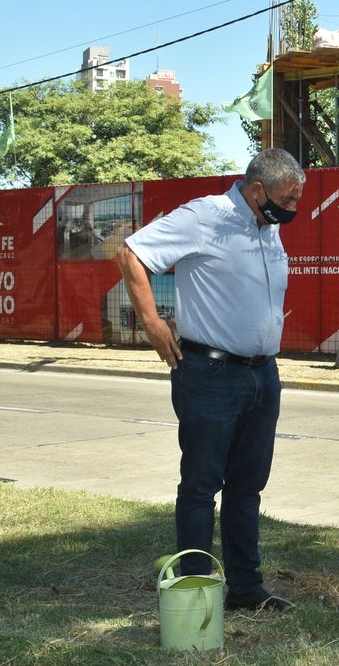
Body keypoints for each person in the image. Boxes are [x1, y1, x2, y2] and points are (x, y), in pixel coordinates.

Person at [115, 148, 305, 613]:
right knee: (202, 486)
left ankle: (245, 587)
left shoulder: (268, 227)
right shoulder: (205, 216)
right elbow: (131, 253)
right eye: (289, 197)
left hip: (263, 374)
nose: (294, 207)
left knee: (248, 486)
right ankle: (196, 593)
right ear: (257, 189)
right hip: (210, 374)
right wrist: (153, 323)